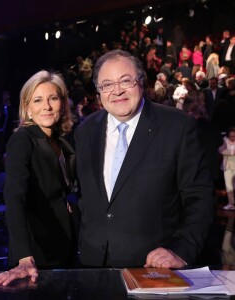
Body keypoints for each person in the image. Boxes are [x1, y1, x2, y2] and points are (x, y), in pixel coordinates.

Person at [75, 49, 214, 268]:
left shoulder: (177, 126)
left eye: (126, 81)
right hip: (93, 266)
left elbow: (200, 197)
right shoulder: (85, 131)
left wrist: (181, 250)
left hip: (153, 268)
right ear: (98, 91)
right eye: (107, 84)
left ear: (141, 81)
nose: (117, 91)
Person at [0, 70, 76, 286]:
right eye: (38, 100)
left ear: (62, 104)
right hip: (35, 251)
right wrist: (23, 256)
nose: (46, 106)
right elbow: (14, 199)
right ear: (28, 107)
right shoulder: (23, 140)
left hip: (63, 244)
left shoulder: (62, 141)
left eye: (53, 98)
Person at [218, 126, 235, 211]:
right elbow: (220, 150)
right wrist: (232, 152)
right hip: (227, 166)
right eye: (231, 136)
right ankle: (231, 204)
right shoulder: (224, 140)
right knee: (229, 187)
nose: (233, 138)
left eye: (234, 136)